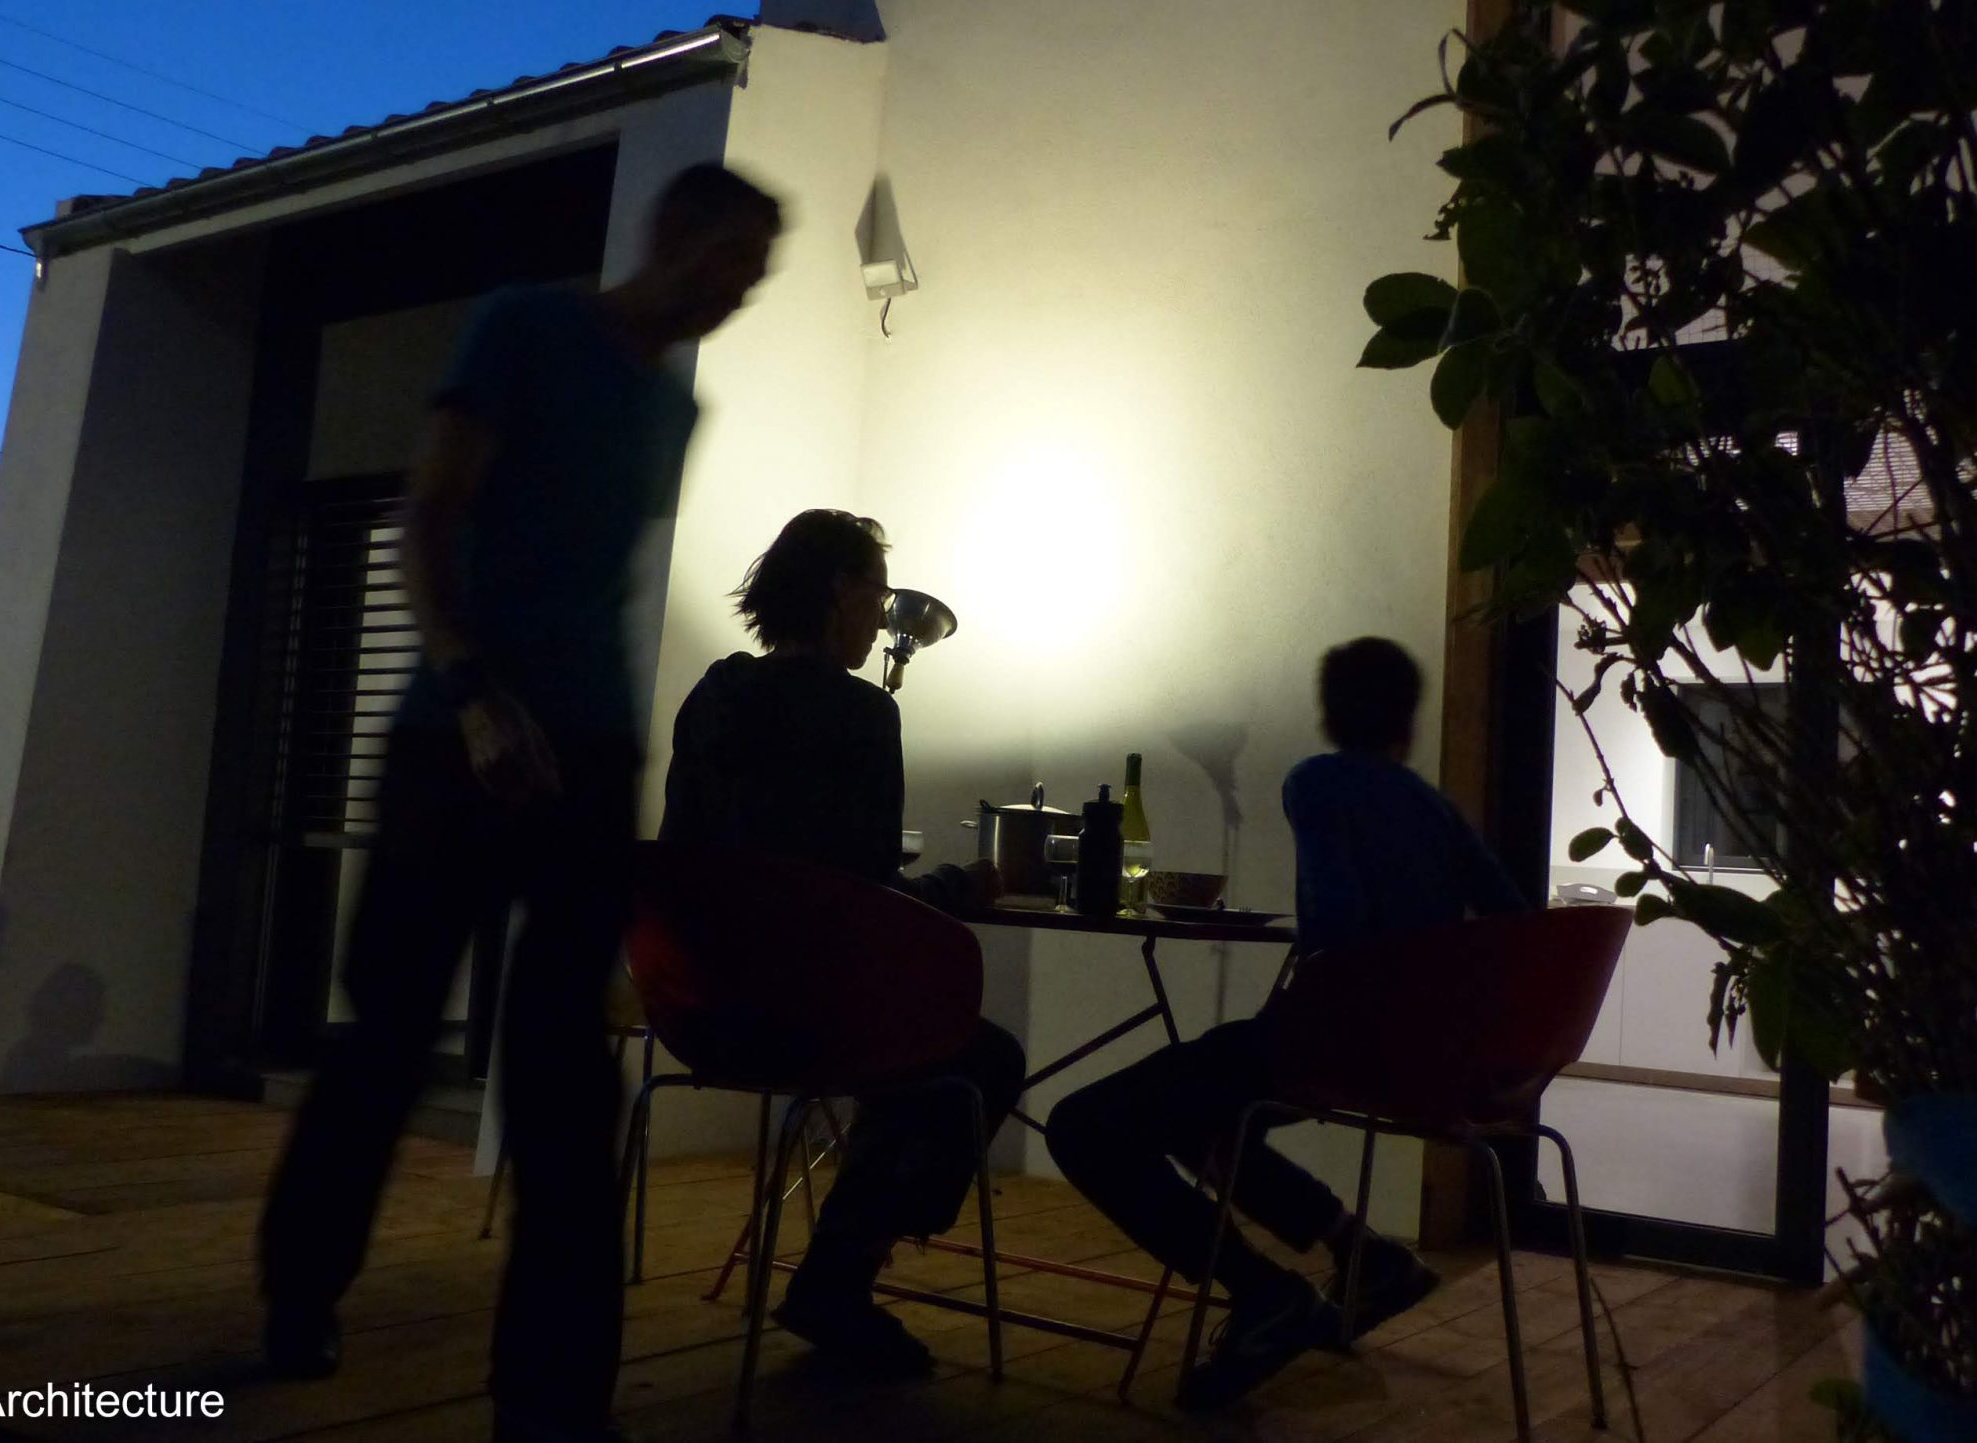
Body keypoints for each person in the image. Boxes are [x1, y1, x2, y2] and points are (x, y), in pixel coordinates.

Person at [257, 164, 783, 1443]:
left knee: (563, 1073)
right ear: (672, 232)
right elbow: (430, 514)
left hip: (588, 757)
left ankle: (554, 1400)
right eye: (732, 259)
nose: (741, 291)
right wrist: (470, 687)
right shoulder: (525, 326)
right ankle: (300, 1292)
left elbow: (594, 585)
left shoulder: (675, 408)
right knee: (388, 1037)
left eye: (758, 274)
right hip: (455, 738)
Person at [1045, 635, 1528, 1411]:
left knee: (1081, 1124)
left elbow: (1338, 922)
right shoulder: (1437, 809)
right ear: (1407, 724)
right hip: (1418, 1057)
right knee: (1202, 1112)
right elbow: (1513, 920)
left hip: (1334, 1041)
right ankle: (1363, 1254)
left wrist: (1315, 993)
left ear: (1329, 716)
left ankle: (1266, 1293)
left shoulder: (1316, 781)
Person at [660, 508, 1025, 1378]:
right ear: (840, 590)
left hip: (702, 1009)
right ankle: (847, 1268)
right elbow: (868, 896)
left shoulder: (714, 693)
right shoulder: (863, 714)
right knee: (975, 1057)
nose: (883, 613)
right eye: (879, 592)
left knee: (904, 1057)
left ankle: (840, 1276)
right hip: (811, 1019)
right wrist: (960, 885)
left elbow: (685, 857)